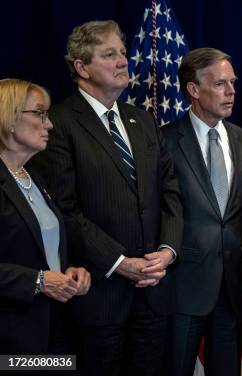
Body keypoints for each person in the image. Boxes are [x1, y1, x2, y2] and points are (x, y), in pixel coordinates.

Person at [29, 20, 183, 375]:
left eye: (124, 53)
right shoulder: (59, 123)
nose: (123, 61)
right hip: (100, 297)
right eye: (109, 54)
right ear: (81, 67)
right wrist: (120, 262)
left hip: (154, 291)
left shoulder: (142, 119)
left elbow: (170, 192)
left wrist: (167, 252)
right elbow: (63, 209)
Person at [162, 48, 242, 376]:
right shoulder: (165, 141)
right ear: (193, 90)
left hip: (229, 285)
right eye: (220, 84)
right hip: (183, 286)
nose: (231, 92)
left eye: (233, 83)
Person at [0, 78, 90, 355]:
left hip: (55, 327)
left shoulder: (34, 176)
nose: (49, 124)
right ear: (9, 119)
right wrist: (38, 281)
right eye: (40, 113)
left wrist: (69, 270)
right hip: (11, 338)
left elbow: (41, 245)